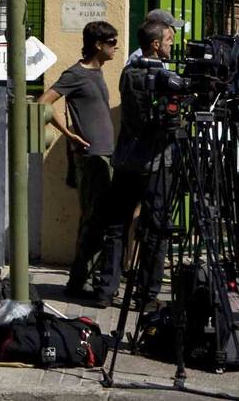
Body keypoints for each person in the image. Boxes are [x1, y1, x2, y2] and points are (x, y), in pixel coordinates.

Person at [73, 19, 175, 306]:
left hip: (126, 161)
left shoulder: (128, 72)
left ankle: (106, 290)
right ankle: (146, 293)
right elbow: (158, 122)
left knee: (116, 228)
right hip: (153, 163)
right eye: (168, 41)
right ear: (155, 44)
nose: (171, 45)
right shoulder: (156, 76)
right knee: (154, 229)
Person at [38, 20, 119, 301]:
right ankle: (78, 283)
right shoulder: (76, 74)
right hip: (92, 157)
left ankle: (84, 280)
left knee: (98, 220)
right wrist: (69, 133)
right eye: (111, 43)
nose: (116, 48)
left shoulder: (97, 74)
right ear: (97, 44)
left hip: (105, 155)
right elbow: (43, 102)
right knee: (94, 221)